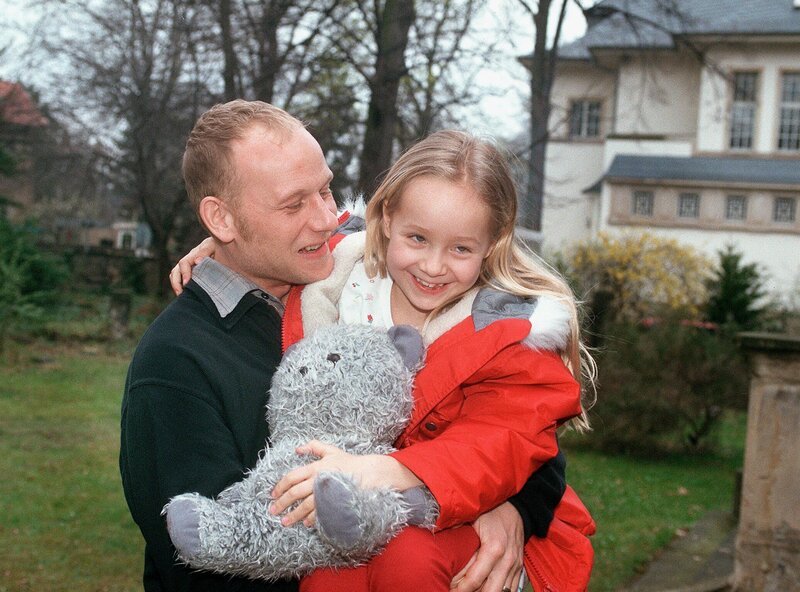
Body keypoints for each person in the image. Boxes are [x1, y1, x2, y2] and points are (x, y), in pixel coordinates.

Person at [122, 100, 568, 592]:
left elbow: (520, 435)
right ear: (222, 220)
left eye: (327, 189)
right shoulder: (176, 362)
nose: (329, 218)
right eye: (295, 205)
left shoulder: (344, 286)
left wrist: (512, 508)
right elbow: (203, 566)